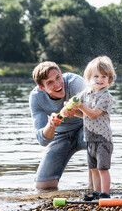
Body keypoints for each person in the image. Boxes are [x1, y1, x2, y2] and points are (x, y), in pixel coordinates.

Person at [29, 61, 87, 190]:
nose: (57, 84)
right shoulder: (36, 97)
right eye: (49, 83)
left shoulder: (75, 82)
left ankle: (96, 188)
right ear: (42, 87)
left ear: (61, 74)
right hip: (61, 135)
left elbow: (100, 116)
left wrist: (77, 112)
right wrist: (51, 125)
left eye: (57, 78)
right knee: (42, 187)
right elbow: (42, 140)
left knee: (98, 136)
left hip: (86, 128)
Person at [72, 56, 116, 200]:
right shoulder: (86, 93)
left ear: (109, 79)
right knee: (93, 169)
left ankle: (105, 193)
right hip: (90, 138)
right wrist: (71, 109)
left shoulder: (106, 96)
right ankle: (96, 193)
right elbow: (83, 113)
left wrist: (81, 106)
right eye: (96, 76)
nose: (100, 79)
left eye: (104, 76)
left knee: (103, 169)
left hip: (103, 139)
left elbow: (93, 114)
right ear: (88, 79)